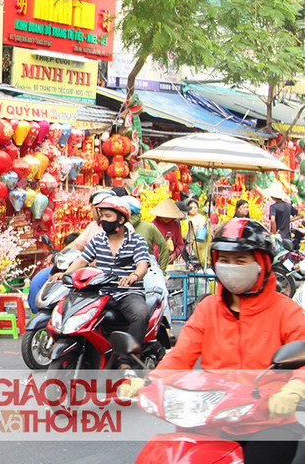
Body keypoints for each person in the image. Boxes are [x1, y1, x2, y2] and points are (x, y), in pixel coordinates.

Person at [121, 218, 305, 464]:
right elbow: (180, 355)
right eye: (225, 260)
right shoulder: (208, 308)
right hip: (211, 417)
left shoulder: (286, 311)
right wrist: (150, 382)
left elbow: (302, 359)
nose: (231, 267)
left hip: (266, 422)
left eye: (241, 261)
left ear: (262, 264)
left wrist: (291, 391)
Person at [52, 197, 150, 367]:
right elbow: (82, 260)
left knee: (140, 314)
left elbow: (143, 264)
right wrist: (65, 274)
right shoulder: (98, 240)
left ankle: (125, 361)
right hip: (102, 294)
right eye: (102, 216)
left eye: (108, 216)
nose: (103, 220)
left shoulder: (137, 241)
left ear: (121, 219)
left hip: (128, 293)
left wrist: (134, 276)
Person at [126, 196, 169, 271]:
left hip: (147, 273)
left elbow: (164, 247)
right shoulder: (116, 228)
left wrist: (162, 271)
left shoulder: (149, 227)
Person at [150, 198, 186, 266]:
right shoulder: (152, 225)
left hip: (169, 262)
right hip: (154, 262)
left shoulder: (175, 225)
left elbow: (180, 244)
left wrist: (175, 254)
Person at [187, 198, 209, 267]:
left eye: (195, 207)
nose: (193, 209)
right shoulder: (186, 218)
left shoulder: (200, 218)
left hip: (196, 245)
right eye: (191, 207)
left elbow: (201, 235)